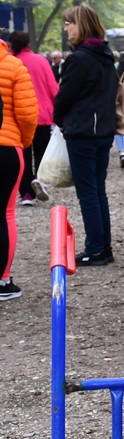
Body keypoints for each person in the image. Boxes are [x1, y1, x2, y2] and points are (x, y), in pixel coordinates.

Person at [52, 4, 118, 266]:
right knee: (97, 191)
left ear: (82, 26)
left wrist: (59, 120)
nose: (66, 28)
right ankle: (103, 247)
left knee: (88, 193)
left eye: (69, 23)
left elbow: (64, 96)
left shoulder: (79, 59)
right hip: (102, 131)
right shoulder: (106, 56)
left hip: (83, 132)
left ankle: (96, 248)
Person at [0, 37, 39, 300]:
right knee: (5, 213)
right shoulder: (13, 66)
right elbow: (27, 114)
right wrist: (23, 142)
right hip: (6, 147)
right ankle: (3, 281)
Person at [8, 31, 58, 205]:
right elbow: (53, 89)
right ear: (28, 43)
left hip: (17, 117)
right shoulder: (41, 61)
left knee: (24, 156)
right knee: (42, 152)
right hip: (42, 115)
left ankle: (26, 194)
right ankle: (39, 180)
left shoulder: (10, 62)